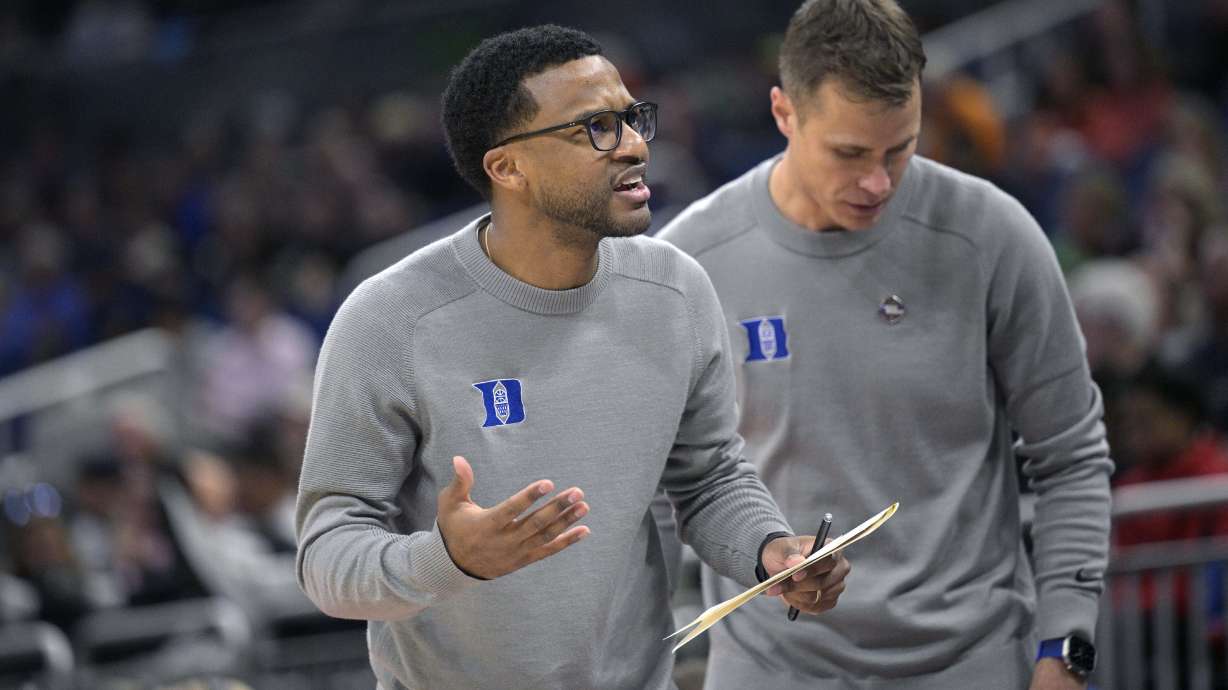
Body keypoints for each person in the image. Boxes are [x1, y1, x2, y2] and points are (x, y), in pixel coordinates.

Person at [294, 24, 849, 690]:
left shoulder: (674, 290)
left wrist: (770, 551)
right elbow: (327, 556)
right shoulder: (390, 321)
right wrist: (448, 559)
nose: (635, 145)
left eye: (632, 118)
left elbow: (709, 478)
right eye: (595, 128)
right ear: (508, 168)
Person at [656, 1, 1113, 688]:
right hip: (771, 666)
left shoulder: (991, 235)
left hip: (973, 661)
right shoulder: (690, 262)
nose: (878, 181)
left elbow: (1071, 456)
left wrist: (1066, 649)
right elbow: (665, 486)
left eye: (901, 148)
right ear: (784, 114)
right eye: (849, 153)